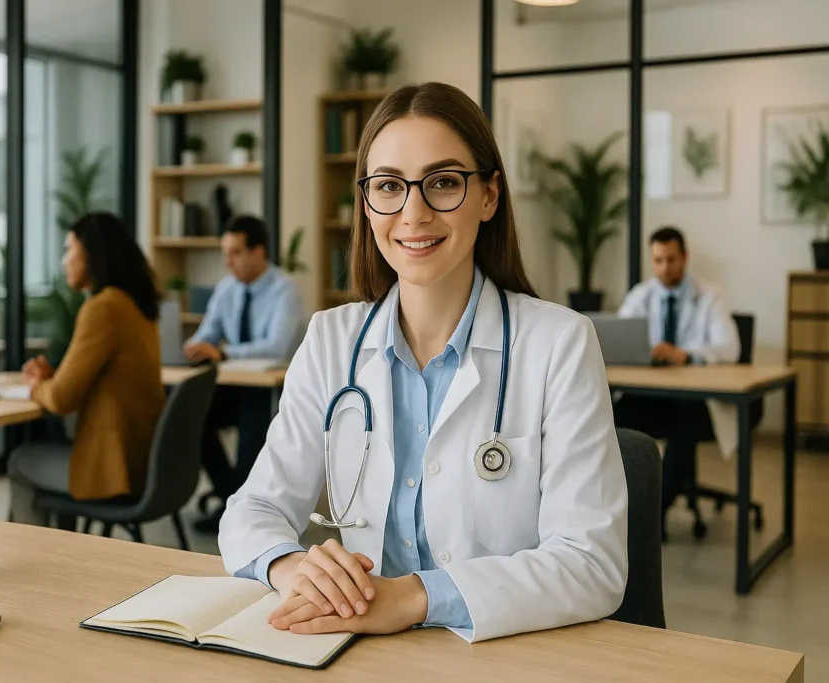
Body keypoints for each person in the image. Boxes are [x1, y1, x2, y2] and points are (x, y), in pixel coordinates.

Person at [217, 82, 628, 643]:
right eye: (388, 186)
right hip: (355, 649)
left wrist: (413, 597)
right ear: (367, 202)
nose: (413, 213)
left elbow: (591, 563)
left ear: (489, 195)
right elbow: (253, 508)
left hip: (500, 653)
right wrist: (291, 568)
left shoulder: (560, 343)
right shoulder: (330, 339)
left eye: (442, 183)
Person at [8, 212, 166, 528]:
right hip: (141, 461)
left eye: (70, 250)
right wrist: (51, 379)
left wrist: (37, 385)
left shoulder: (103, 307)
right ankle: (62, 555)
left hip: (112, 467)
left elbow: (62, 400)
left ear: (92, 254)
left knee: (19, 461)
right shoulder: (133, 304)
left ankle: (36, 569)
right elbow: (89, 382)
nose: (64, 260)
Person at [182, 215, 305, 533]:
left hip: (270, 388)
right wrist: (195, 346)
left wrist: (223, 353)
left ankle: (247, 513)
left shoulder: (285, 290)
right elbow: (208, 333)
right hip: (231, 384)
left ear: (259, 252)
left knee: (253, 411)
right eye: (226, 253)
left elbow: (276, 347)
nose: (228, 261)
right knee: (191, 414)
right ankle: (229, 501)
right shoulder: (226, 289)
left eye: (235, 252)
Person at [614, 226, 740, 535]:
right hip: (653, 395)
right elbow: (619, 338)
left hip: (695, 400)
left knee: (682, 428)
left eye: (671, 260)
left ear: (684, 257)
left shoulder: (710, 296)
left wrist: (686, 355)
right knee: (611, 418)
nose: (664, 268)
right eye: (657, 260)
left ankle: (651, 519)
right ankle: (612, 508)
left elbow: (730, 348)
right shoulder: (641, 295)